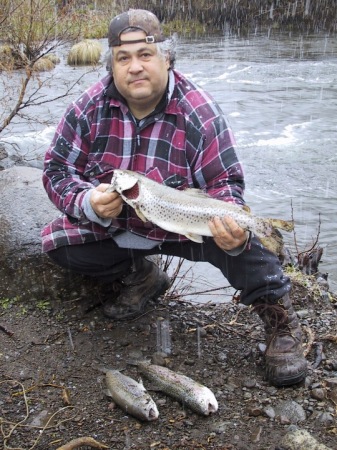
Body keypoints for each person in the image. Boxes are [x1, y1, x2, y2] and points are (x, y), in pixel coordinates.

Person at [42, 9, 307, 387]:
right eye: (123, 58)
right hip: (123, 229)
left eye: (145, 55)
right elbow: (56, 171)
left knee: (249, 250)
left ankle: (279, 324)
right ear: (112, 66)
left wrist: (232, 227)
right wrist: (87, 201)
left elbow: (225, 182)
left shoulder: (200, 112)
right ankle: (142, 277)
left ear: (167, 58)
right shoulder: (87, 108)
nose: (135, 67)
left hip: (189, 228)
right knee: (59, 244)